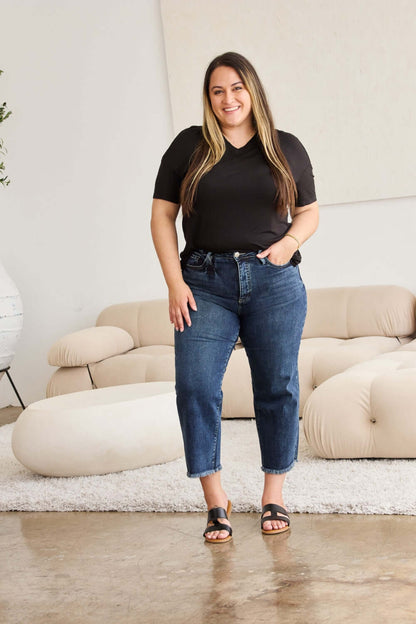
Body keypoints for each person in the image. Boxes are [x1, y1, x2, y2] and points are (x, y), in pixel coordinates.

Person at [151, 51, 319, 543]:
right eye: (217, 90)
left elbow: (308, 212)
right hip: (203, 282)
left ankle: (274, 495)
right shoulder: (189, 147)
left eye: (237, 88)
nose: (228, 99)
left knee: (278, 387)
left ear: (253, 91)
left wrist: (287, 245)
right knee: (196, 388)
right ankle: (216, 501)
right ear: (209, 98)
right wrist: (174, 283)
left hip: (273, 282)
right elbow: (162, 217)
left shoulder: (284, 147)